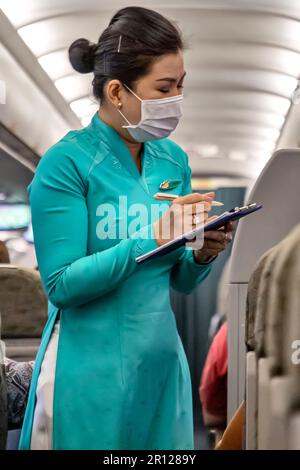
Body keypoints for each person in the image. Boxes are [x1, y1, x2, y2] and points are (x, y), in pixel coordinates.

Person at [19, 6, 233, 450]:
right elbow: (61, 285)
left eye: (180, 85)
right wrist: (153, 236)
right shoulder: (67, 163)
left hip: (160, 361)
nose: (176, 98)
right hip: (86, 368)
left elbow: (181, 279)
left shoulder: (173, 160)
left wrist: (203, 251)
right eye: (164, 87)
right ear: (117, 91)